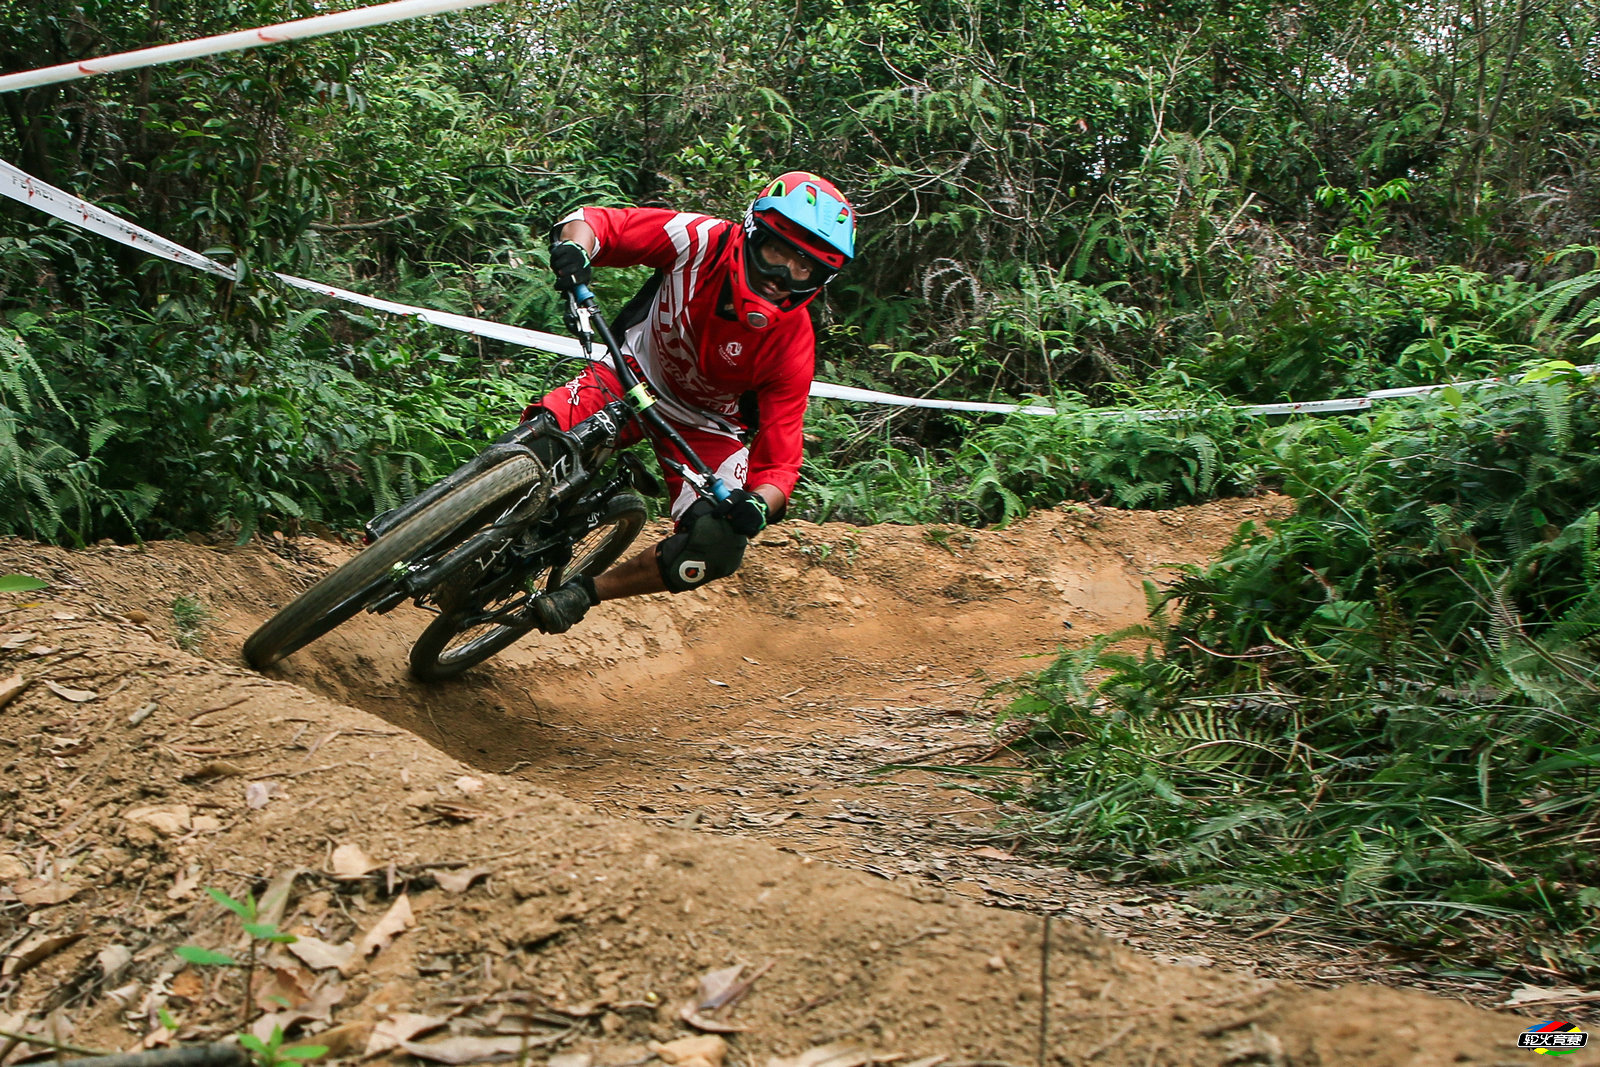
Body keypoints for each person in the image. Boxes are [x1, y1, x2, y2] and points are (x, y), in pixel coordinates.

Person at [523, 171, 857, 634]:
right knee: (541, 442)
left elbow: (780, 465)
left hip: (705, 427)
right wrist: (575, 250)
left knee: (715, 544)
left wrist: (757, 504)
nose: (783, 276)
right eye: (777, 251)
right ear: (751, 232)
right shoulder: (700, 241)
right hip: (632, 373)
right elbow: (600, 224)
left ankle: (584, 593)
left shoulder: (793, 345)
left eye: (806, 268)